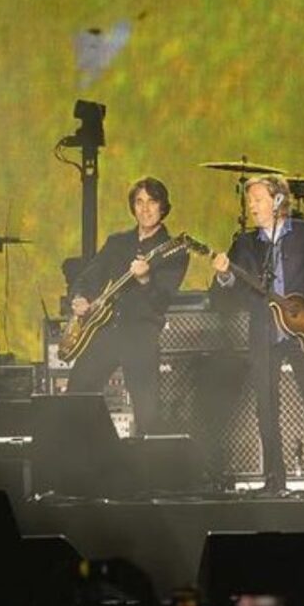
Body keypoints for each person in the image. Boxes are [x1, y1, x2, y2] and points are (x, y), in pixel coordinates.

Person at [210, 174, 304, 494]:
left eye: (257, 199)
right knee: (265, 407)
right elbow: (223, 299)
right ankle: (274, 482)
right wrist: (224, 278)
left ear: (277, 201)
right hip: (265, 332)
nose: (251, 206)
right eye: (250, 201)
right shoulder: (245, 244)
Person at [66, 178, 188, 435]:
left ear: (164, 207)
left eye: (152, 202)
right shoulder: (117, 242)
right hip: (106, 331)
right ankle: (90, 461)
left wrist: (145, 280)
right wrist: (79, 298)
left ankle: (147, 471)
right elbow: (88, 277)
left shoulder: (174, 250)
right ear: (133, 207)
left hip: (141, 335)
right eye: (139, 202)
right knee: (76, 395)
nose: (145, 209)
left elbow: (161, 300)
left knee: (147, 414)